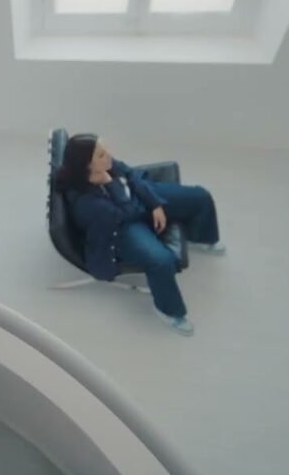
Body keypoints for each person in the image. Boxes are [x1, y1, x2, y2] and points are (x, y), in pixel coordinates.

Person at [56, 134, 225, 336]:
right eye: (101, 155)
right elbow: (129, 214)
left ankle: (201, 236)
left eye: (105, 149)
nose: (109, 156)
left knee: (200, 196)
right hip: (120, 230)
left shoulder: (102, 165)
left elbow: (130, 173)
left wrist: (155, 204)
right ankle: (169, 311)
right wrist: (113, 184)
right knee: (161, 261)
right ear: (87, 165)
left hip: (134, 201)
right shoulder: (88, 204)